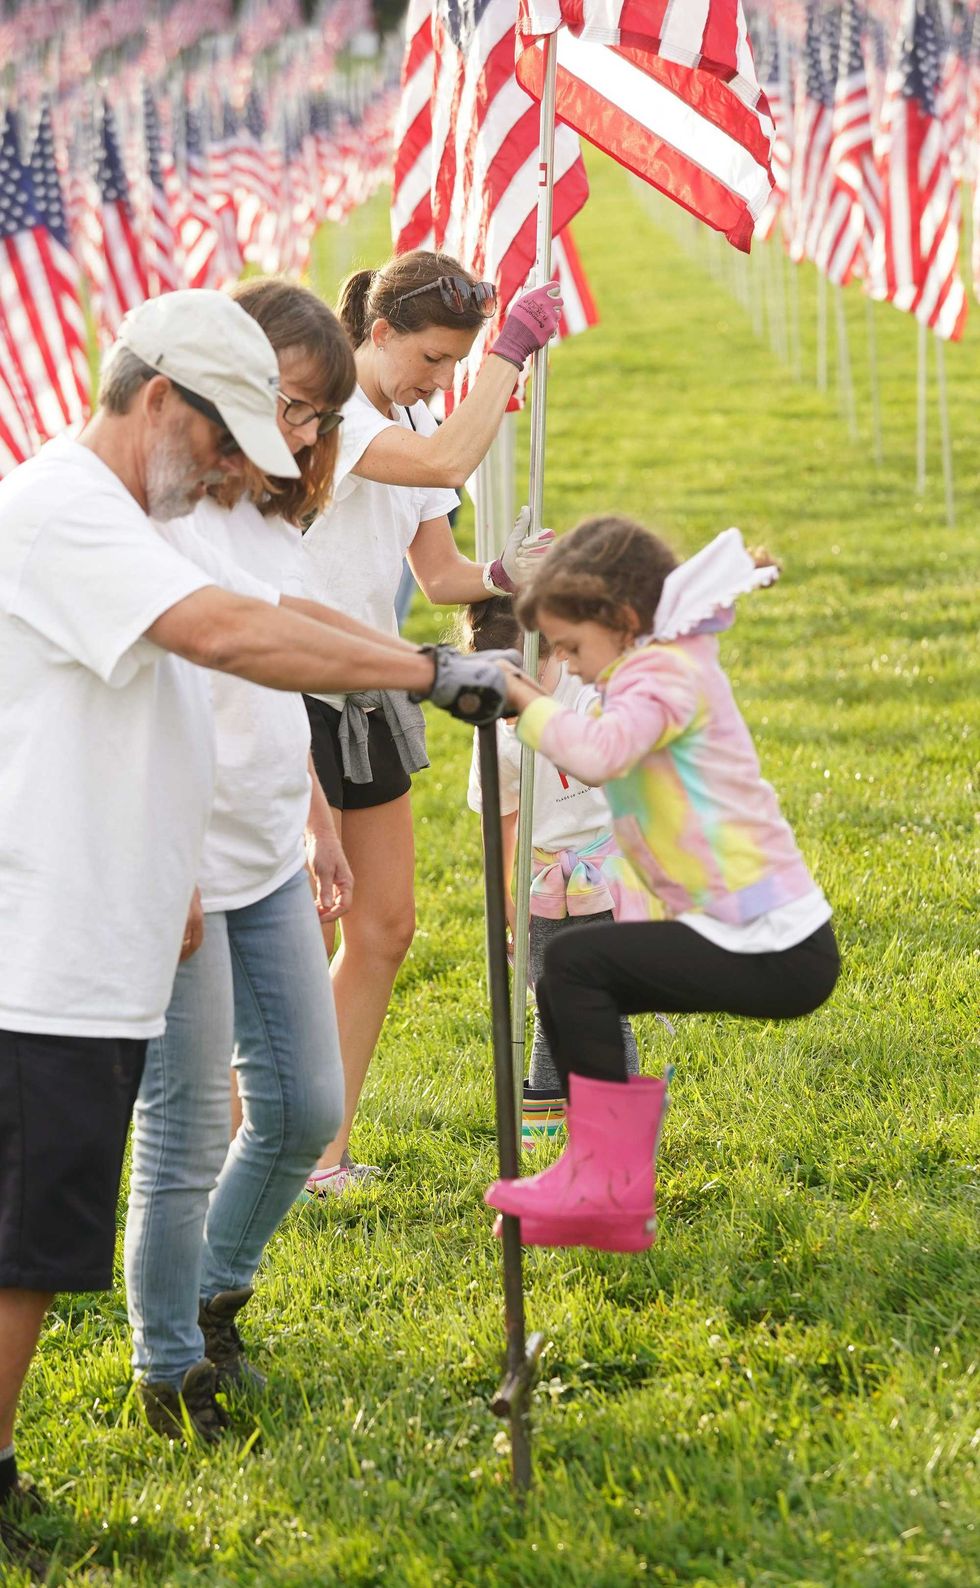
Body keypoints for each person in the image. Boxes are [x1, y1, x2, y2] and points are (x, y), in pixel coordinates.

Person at [0, 287, 510, 1561]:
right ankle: (129, 1389)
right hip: (71, 917)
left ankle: (150, 1350)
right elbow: (224, 635)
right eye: (232, 431)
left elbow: (265, 632)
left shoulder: (157, 501)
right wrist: (429, 671)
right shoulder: (77, 505)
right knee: (60, 1210)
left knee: (231, 1140)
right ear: (167, 397)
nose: (240, 463)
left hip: (168, 886)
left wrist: (300, 809)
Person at [123, 278, 360, 1442]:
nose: (300, 436)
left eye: (316, 418)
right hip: (186, 869)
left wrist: (316, 812)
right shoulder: (161, 514)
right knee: (187, 1126)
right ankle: (167, 1367)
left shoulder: (270, 523)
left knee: (307, 1105)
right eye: (287, 407)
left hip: (268, 852)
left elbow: (286, 674)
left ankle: (214, 1292)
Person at [486, 519, 840, 1252]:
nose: (570, 667)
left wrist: (523, 699)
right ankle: (601, 1179)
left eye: (572, 648)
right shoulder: (653, 668)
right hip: (747, 933)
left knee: (578, 966)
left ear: (620, 621)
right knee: (570, 979)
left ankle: (608, 1185)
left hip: (776, 942)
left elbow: (603, 753)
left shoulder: (665, 675)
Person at [301, 251, 562, 1193]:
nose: (442, 382)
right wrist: (512, 356)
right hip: (287, 683)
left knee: (385, 926)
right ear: (377, 335)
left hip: (368, 685)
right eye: (435, 359)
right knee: (292, 940)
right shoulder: (333, 411)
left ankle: (321, 1153)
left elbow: (440, 573)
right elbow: (455, 455)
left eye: (459, 364)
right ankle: (256, 1153)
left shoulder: (409, 414)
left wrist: (509, 574)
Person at [462, 595, 657, 1149]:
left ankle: (616, 1132)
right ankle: (549, 1134)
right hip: (542, 883)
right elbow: (498, 826)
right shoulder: (496, 731)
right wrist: (503, 912)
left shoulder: (592, 692)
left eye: (530, 678)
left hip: (608, 875)